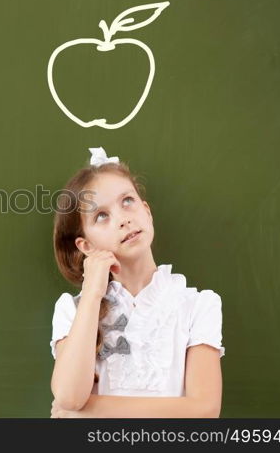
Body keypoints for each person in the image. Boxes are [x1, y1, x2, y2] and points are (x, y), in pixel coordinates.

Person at [49, 147, 224, 418]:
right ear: (85, 245)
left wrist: (88, 412)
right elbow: (69, 396)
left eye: (127, 201)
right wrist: (93, 293)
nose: (123, 219)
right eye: (102, 216)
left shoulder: (198, 306)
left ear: (147, 211)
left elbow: (204, 409)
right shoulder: (73, 311)